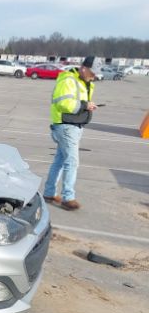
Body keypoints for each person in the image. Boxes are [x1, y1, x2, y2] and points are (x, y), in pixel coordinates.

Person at [43, 55, 98, 211]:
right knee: (71, 162)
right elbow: (62, 103)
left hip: (73, 125)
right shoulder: (68, 80)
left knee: (60, 160)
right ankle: (68, 197)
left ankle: (49, 193)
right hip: (66, 126)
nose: (94, 76)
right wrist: (85, 105)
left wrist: (87, 106)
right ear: (84, 68)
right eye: (92, 73)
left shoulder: (85, 82)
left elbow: (78, 103)